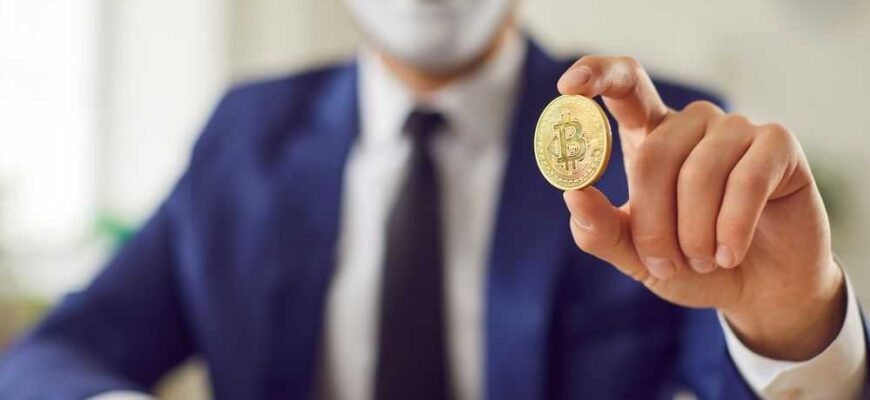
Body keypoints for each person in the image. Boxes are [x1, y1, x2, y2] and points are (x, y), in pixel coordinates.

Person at [0, 0, 866, 399]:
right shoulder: (246, 138)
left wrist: (796, 326)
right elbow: (56, 354)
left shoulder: (656, 141)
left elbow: (731, 382)